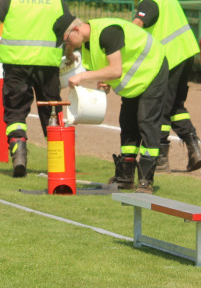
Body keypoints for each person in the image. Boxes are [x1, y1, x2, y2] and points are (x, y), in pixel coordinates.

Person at [56, 14, 169, 193]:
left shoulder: (107, 32)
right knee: (128, 121)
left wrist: (82, 76)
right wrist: (102, 79)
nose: (68, 46)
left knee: (147, 122)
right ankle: (125, 177)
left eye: (67, 41)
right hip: (135, 80)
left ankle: (146, 180)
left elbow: (115, 70)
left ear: (75, 30)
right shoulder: (87, 44)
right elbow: (107, 66)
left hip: (152, 68)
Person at [0, 0, 70, 177]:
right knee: (51, 110)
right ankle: (59, 161)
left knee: (15, 111)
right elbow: (70, 30)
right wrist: (68, 54)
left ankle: (19, 152)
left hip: (16, 64)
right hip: (48, 64)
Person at [120, 0, 201, 173]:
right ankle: (194, 149)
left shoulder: (150, 0)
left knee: (160, 108)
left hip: (170, 57)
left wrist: (120, 44)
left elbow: (137, 25)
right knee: (176, 105)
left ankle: (160, 159)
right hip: (185, 53)